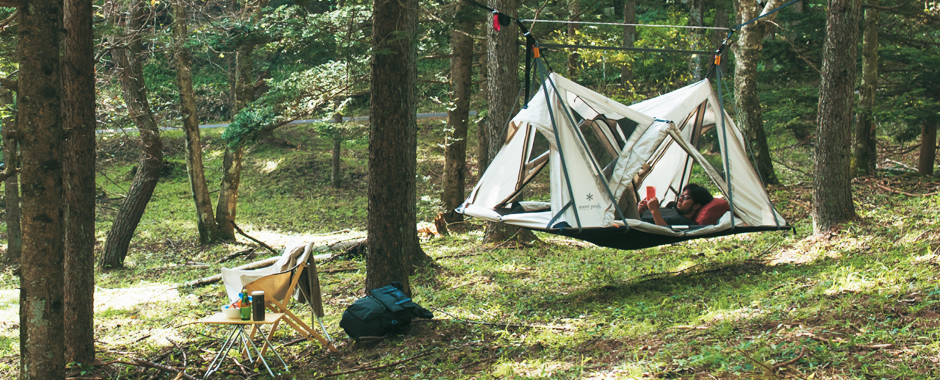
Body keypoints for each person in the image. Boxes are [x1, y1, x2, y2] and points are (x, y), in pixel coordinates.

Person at [637, 184, 713, 226]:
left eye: (686, 197)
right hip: (632, 221)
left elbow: (665, 232)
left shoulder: (684, 223)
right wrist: (639, 211)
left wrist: (654, 211)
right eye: (681, 196)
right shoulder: (673, 210)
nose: (679, 200)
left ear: (696, 205)